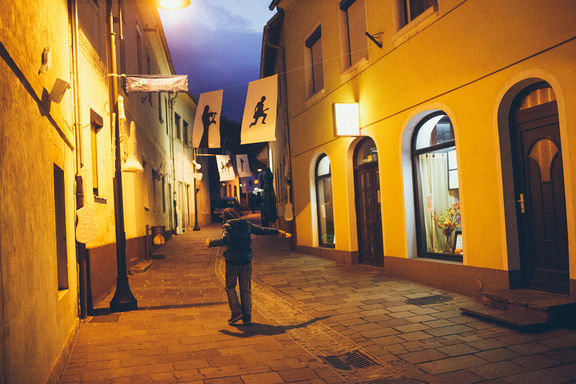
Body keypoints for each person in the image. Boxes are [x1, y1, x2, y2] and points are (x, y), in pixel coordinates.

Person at [206, 208, 291, 325]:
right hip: (246, 261)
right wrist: (278, 232)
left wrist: (211, 243)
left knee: (230, 287)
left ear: (225, 218)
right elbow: (262, 230)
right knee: (245, 289)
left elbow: (225, 239)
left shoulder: (227, 226)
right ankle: (247, 316)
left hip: (232, 262)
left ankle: (236, 312)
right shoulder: (246, 224)